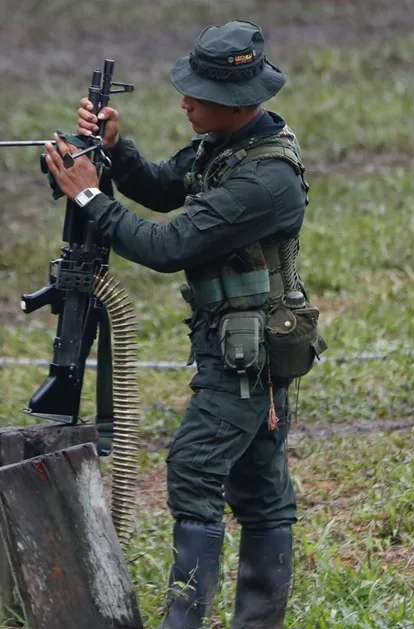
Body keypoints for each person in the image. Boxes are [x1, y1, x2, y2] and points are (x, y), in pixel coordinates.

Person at [43, 20, 312, 629]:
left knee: (194, 468)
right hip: (237, 346)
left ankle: (184, 621)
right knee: (260, 486)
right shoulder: (225, 148)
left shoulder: (264, 180)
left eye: (198, 93)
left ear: (238, 102)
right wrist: (115, 152)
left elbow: (168, 245)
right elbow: (167, 189)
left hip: (247, 356)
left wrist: (90, 197)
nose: (184, 101)